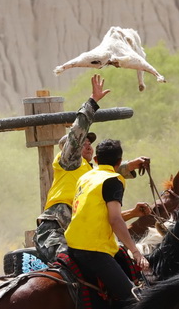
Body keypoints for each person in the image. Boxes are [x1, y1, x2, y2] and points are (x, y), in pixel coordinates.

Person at [34, 74, 151, 262]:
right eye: (83, 142)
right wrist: (92, 102)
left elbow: (106, 176)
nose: (88, 144)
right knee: (72, 265)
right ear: (70, 148)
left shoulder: (91, 175)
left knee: (121, 262)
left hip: (82, 237)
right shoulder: (68, 163)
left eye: (90, 142)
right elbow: (76, 135)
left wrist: (131, 166)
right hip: (56, 231)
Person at [65, 138, 158, 309]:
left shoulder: (86, 177)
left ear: (96, 160)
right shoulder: (113, 180)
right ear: (118, 163)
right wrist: (136, 252)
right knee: (133, 300)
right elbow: (114, 219)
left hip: (73, 246)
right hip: (94, 249)